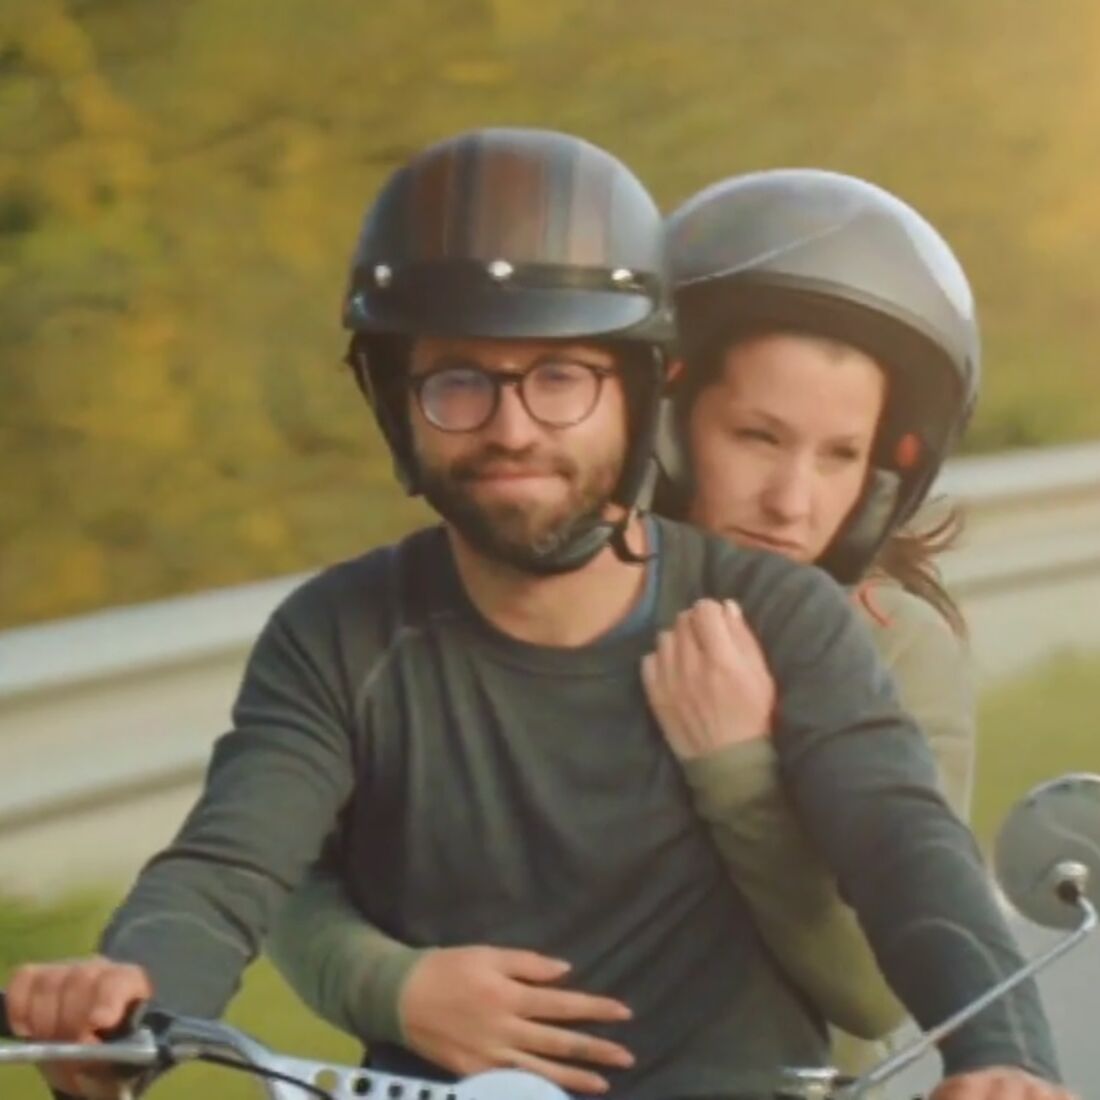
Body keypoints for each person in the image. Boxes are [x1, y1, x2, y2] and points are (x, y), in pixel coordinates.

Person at [5, 134, 1066, 1100]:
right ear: (394, 405)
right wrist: (125, 999)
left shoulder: (798, 615)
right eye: (458, 382)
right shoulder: (338, 632)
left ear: (633, 391)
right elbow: (235, 862)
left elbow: (901, 848)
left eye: (560, 375)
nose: (512, 427)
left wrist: (1004, 1054)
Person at [263, 169, 980, 1087]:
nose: (792, 502)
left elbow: (881, 992)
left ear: (885, 478)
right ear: (663, 420)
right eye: (757, 437)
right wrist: (390, 985)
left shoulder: (893, 643)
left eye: (841, 455)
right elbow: (296, 865)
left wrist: (738, 769)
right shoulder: (511, 589)